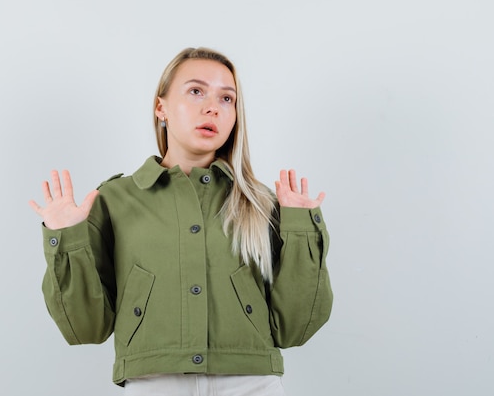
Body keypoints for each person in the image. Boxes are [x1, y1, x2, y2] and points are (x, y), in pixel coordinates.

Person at [29, 47, 333, 395]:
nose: (212, 107)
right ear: (161, 108)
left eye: (227, 98)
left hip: (252, 381)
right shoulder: (114, 200)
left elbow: (295, 328)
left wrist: (302, 230)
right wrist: (66, 237)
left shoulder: (261, 202)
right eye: (196, 91)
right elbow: (86, 328)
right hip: (155, 382)